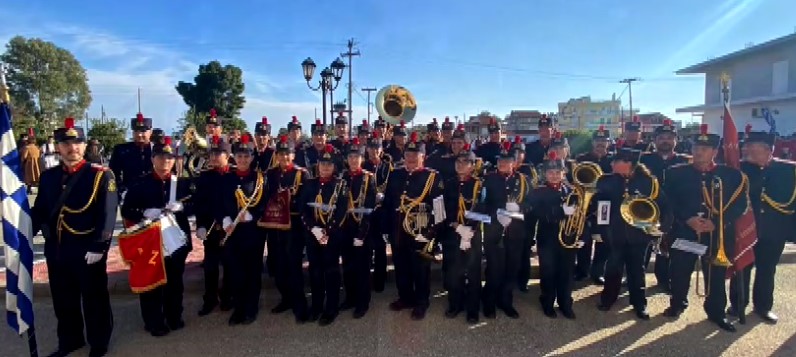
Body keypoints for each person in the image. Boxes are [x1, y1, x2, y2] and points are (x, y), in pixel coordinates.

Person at [31, 117, 117, 357]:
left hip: (87, 247)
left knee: (94, 297)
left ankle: (99, 341)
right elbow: (40, 210)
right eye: (66, 143)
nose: (73, 148)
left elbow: (108, 213)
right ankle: (71, 340)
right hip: (58, 248)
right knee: (63, 299)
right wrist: (23, 233)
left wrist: (100, 245)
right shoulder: (49, 177)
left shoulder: (100, 175)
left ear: (85, 145)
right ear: (58, 147)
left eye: (77, 142)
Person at [663, 124, 748, 332]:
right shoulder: (675, 173)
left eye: (704, 149)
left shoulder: (732, 175)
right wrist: (687, 219)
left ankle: (716, 312)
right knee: (680, 271)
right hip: (685, 231)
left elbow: (740, 205)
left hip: (715, 234)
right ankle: (677, 304)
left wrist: (718, 222)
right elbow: (668, 201)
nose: (698, 152)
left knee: (716, 276)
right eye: (695, 148)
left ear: (714, 152)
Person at [120, 136, 193, 336]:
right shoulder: (140, 183)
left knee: (174, 281)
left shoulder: (182, 183)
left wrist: (183, 207)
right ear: (153, 158)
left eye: (169, 158)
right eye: (161, 157)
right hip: (150, 240)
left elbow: (195, 205)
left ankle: (174, 316)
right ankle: (153, 321)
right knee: (152, 282)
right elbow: (127, 210)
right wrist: (144, 212)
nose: (165, 161)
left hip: (176, 240)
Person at [729, 130, 795, 324]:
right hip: (745, 229)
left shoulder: (788, 170)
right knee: (741, 267)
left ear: (768, 150)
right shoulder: (739, 169)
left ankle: (763, 307)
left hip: (775, 231)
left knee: (767, 270)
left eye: (752, 147)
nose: (746, 150)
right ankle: (737, 305)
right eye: (746, 147)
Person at [593, 148, 666, 320]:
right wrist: (598, 227)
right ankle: (608, 299)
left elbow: (661, 204)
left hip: (638, 234)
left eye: (615, 161)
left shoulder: (648, 182)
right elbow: (598, 202)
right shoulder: (606, 180)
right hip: (615, 232)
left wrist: (661, 228)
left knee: (636, 270)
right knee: (613, 267)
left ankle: (639, 304)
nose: (611, 164)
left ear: (627, 163)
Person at [382, 132, 444, 320]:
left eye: (415, 155)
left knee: (420, 268)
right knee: (401, 265)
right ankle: (405, 297)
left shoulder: (433, 177)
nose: (410, 158)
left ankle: (421, 302)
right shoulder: (395, 174)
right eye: (408, 155)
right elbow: (388, 202)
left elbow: (439, 208)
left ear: (422, 157)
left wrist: (432, 232)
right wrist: (386, 228)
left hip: (421, 229)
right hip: (398, 230)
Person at [299, 144, 350, 325]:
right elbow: (302, 209)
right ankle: (317, 306)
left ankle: (331, 308)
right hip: (313, 235)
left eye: (329, 165)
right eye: (322, 164)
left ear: (334, 167)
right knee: (315, 271)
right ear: (318, 165)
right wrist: (313, 228)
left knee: (331, 272)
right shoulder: (310, 184)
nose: (325, 167)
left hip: (332, 236)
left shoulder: (341, 185)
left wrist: (327, 232)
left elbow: (342, 211)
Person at [218, 134, 267, 325]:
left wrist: (253, 216)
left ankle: (251, 309)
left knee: (253, 272)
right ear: (234, 158)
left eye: (247, 156)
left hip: (253, 232)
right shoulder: (227, 179)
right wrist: (224, 219)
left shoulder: (259, 179)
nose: (243, 160)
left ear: (252, 158)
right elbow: (219, 202)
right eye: (239, 156)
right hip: (233, 231)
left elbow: (264, 203)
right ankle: (238, 309)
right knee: (236, 272)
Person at [262, 135, 310, 323]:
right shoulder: (271, 174)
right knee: (279, 266)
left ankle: (300, 305)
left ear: (293, 154)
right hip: (275, 226)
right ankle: (285, 299)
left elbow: (305, 200)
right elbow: (266, 197)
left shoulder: (301, 174)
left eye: (287, 154)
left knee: (293, 266)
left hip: (294, 227)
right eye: (281, 154)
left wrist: (291, 202)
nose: (284, 158)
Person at [481, 141, 531, 319]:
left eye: (507, 161)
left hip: (516, 233)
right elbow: (481, 204)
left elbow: (531, 203)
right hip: (494, 232)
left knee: (511, 270)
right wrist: (496, 214)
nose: (503, 164)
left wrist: (520, 208)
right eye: (500, 161)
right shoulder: (488, 179)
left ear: (514, 162)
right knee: (494, 270)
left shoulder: (523, 180)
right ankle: (489, 302)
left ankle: (506, 301)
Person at [639, 119, 690, 291]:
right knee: (643, 247)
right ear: (655, 140)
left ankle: (664, 279)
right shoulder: (644, 159)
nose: (665, 141)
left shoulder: (685, 161)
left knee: (668, 245)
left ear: (675, 140)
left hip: (675, 212)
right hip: (648, 209)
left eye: (669, 137)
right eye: (661, 137)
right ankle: (637, 277)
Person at [529, 151, 577, 319]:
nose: (554, 176)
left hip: (568, 239)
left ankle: (565, 304)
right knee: (548, 271)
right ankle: (547, 302)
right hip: (547, 238)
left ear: (564, 173)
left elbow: (581, 215)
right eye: (551, 173)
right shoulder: (538, 192)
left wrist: (582, 237)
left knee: (566, 272)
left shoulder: (572, 191)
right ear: (545, 174)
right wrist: (562, 212)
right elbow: (540, 214)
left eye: (558, 173)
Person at [442, 144, 484, 324]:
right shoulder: (448, 183)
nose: (460, 164)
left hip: (472, 235)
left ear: (473, 165)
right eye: (458, 161)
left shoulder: (480, 185)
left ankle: (473, 309)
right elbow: (440, 209)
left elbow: (485, 209)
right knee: (453, 272)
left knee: (473, 273)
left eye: (465, 161)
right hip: (453, 234)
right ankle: (455, 304)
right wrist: (455, 226)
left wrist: (470, 229)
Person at [195, 136, 234, 316]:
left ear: (227, 155)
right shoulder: (205, 177)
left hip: (229, 229)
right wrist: (200, 225)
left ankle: (227, 297)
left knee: (229, 265)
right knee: (210, 267)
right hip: (211, 228)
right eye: (212, 153)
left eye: (218, 154)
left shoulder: (233, 175)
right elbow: (201, 203)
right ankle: (209, 299)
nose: (213, 157)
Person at [339, 138, 377, 319]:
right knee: (347, 265)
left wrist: (362, 231)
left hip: (363, 229)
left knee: (362, 267)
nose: (354, 160)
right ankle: (350, 298)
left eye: (357, 156)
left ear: (362, 158)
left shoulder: (369, 178)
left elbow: (370, 207)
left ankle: (363, 302)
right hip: (345, 228)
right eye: (351, 156)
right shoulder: (342, 177)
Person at [573, 126, 613, 284]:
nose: (601, 143)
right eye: (598, 140)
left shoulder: (613, 160)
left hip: (606, 205)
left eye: (604, 141)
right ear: (593, 142)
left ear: (609, 143)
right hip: (586, 205)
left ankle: (597, 272)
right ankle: (582, 270)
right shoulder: (582, 158)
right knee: (584, 239)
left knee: (603, 240)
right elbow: (574, 180)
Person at [362, 131, 393, 292]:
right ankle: (367, 279)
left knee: (380, 246)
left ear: (381, 149)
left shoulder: (387, 167)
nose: (374, 151)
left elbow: (393, 189)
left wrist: (384, 197)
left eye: (377, 147)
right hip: (366, 212)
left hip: (382, 211)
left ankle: (380, 278)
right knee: (366, 246)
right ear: (366, 149)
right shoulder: (363, 166)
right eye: (371, 147)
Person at [109, 113, 154, 196]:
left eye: (143, 131)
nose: (139, 134)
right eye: (136, 131)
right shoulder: (122, 150)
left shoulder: (157, 150)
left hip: (154, 195)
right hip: (130, 195)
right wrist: (121, 189)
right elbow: (113, 174)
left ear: (151, 132)